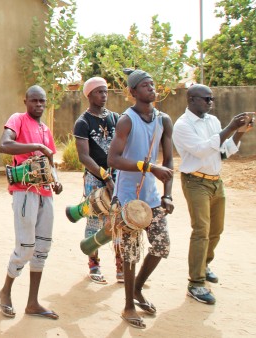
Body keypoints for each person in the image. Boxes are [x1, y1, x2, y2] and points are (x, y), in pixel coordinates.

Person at [173, 84, 253, 305]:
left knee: (216, 230)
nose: (210, 102)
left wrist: (239, 132)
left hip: (216, 181)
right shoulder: (182, 125)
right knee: (201, 230)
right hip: (195, 181)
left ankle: (204, 264)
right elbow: (201, 149)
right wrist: (229, 127)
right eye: (206, 98)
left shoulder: (213, 121)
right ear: (191, 99)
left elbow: (225, 151)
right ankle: (195, 284)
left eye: (212, 99)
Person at [107, 69, 175, 329]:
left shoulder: (164, 120)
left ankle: (136, 289)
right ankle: (127, 306)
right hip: (127, 198)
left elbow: (168, 161)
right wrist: (148, 168)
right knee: (130, 253)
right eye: (145, 85)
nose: (151, 88)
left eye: (153, 84)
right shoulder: (127, 120)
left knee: (161, 246)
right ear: (133, 92)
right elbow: (113, 160)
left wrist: (168, 194)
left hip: (152, 197)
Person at [0, 85, 63, 320]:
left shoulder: (45, 129)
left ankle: (32, 302)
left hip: (45, 194)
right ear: (25, 101)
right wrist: (36, 146)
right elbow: (4, 145)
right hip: (24, 191)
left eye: (42, 101)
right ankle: (5, 292)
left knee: (42, 248)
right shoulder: (18, 120)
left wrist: (56, 180)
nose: (38, 105)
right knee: (25, 246)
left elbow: (51, 160)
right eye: (34, 101)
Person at [73, 77, 123, 284]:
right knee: (94, 220)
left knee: (120, 221)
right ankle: (94, 264)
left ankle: (121, 266)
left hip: (117, 177)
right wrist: (105, 176)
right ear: (89, 95)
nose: (104, 95)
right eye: (99, 92)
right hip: (95, 179)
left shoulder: (115, 118)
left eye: (105, 91)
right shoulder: (83, 122)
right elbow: (84, 156)